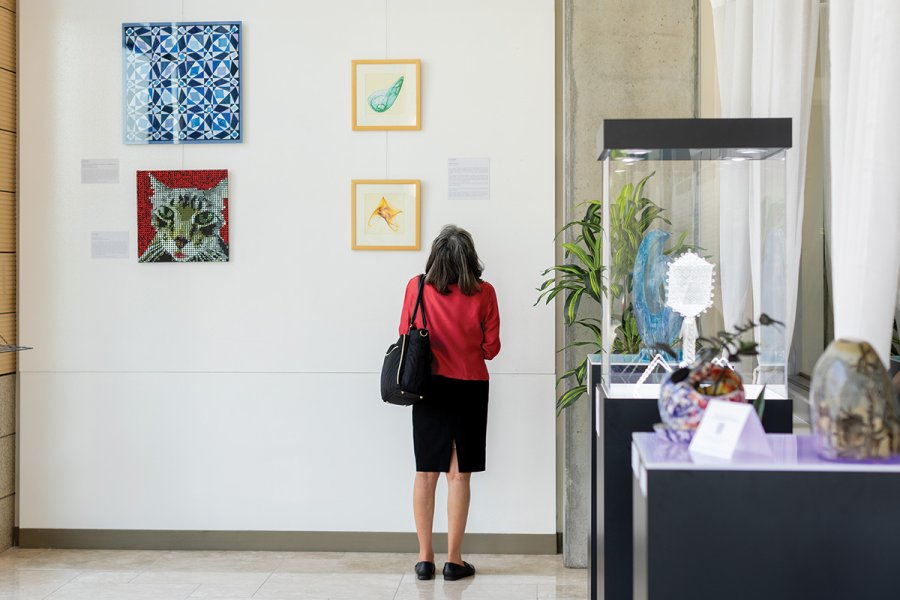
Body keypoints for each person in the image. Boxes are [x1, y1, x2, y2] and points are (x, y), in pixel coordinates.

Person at [398, 225, 501, 582]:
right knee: (458, 476)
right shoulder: (485, 293)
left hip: (429, 387)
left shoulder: (417, 287)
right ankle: (454, 561)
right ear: (469, 257)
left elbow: (404, 334)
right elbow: (491, 349)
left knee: (425, 473)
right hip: (470, 387)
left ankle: (425, 559)